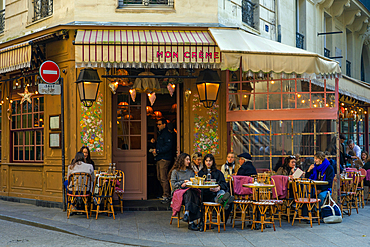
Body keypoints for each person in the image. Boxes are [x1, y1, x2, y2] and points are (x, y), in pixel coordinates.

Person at [169, 153, 201, 231]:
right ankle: (191, 222)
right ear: (182, 160)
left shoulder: (190, 171)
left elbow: (194, 182)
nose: (189, 161)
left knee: (191, 193)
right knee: (190, 194)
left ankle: (187, 214)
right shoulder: (175, 172)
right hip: (179, 194)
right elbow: (173, 185)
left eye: (189, 159)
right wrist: (182, 183)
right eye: (187, 159)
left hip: (189, 193)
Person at [151, 118, 173, 203]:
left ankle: (166, 196)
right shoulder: (161, 134)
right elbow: (162, 145)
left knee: (163, 178)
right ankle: (164, 194)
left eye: (159, 124)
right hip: (160, 158)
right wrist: (154, 143)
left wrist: (158, 151)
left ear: (164, 124)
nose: (158, 126)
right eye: (157, 124)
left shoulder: (167, 134)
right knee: (159, 177)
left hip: (165, 158)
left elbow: (168, 146)